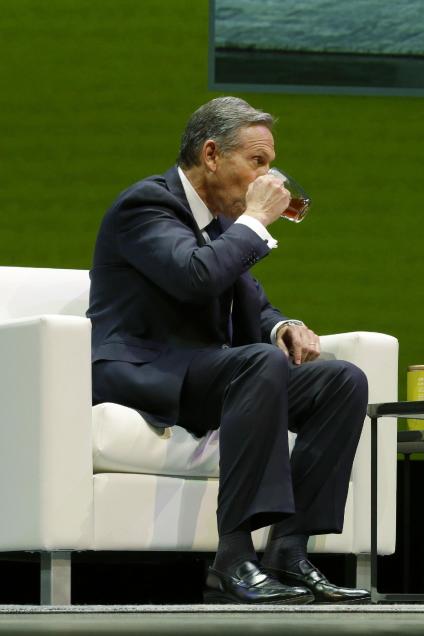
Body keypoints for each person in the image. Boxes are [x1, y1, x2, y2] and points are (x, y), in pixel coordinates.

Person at [87, 96, 371, 605]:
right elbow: (197, 277)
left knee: (341, 380)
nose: (270, 179)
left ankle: (289, 549)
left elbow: (250, 300)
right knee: (259, 364)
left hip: (209, 370)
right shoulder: (146, 206)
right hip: (143, 368)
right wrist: (257, 220)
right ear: (213, 154)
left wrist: (282, 324)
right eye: (258, 162)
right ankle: (233, 557)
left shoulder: (220, 224)